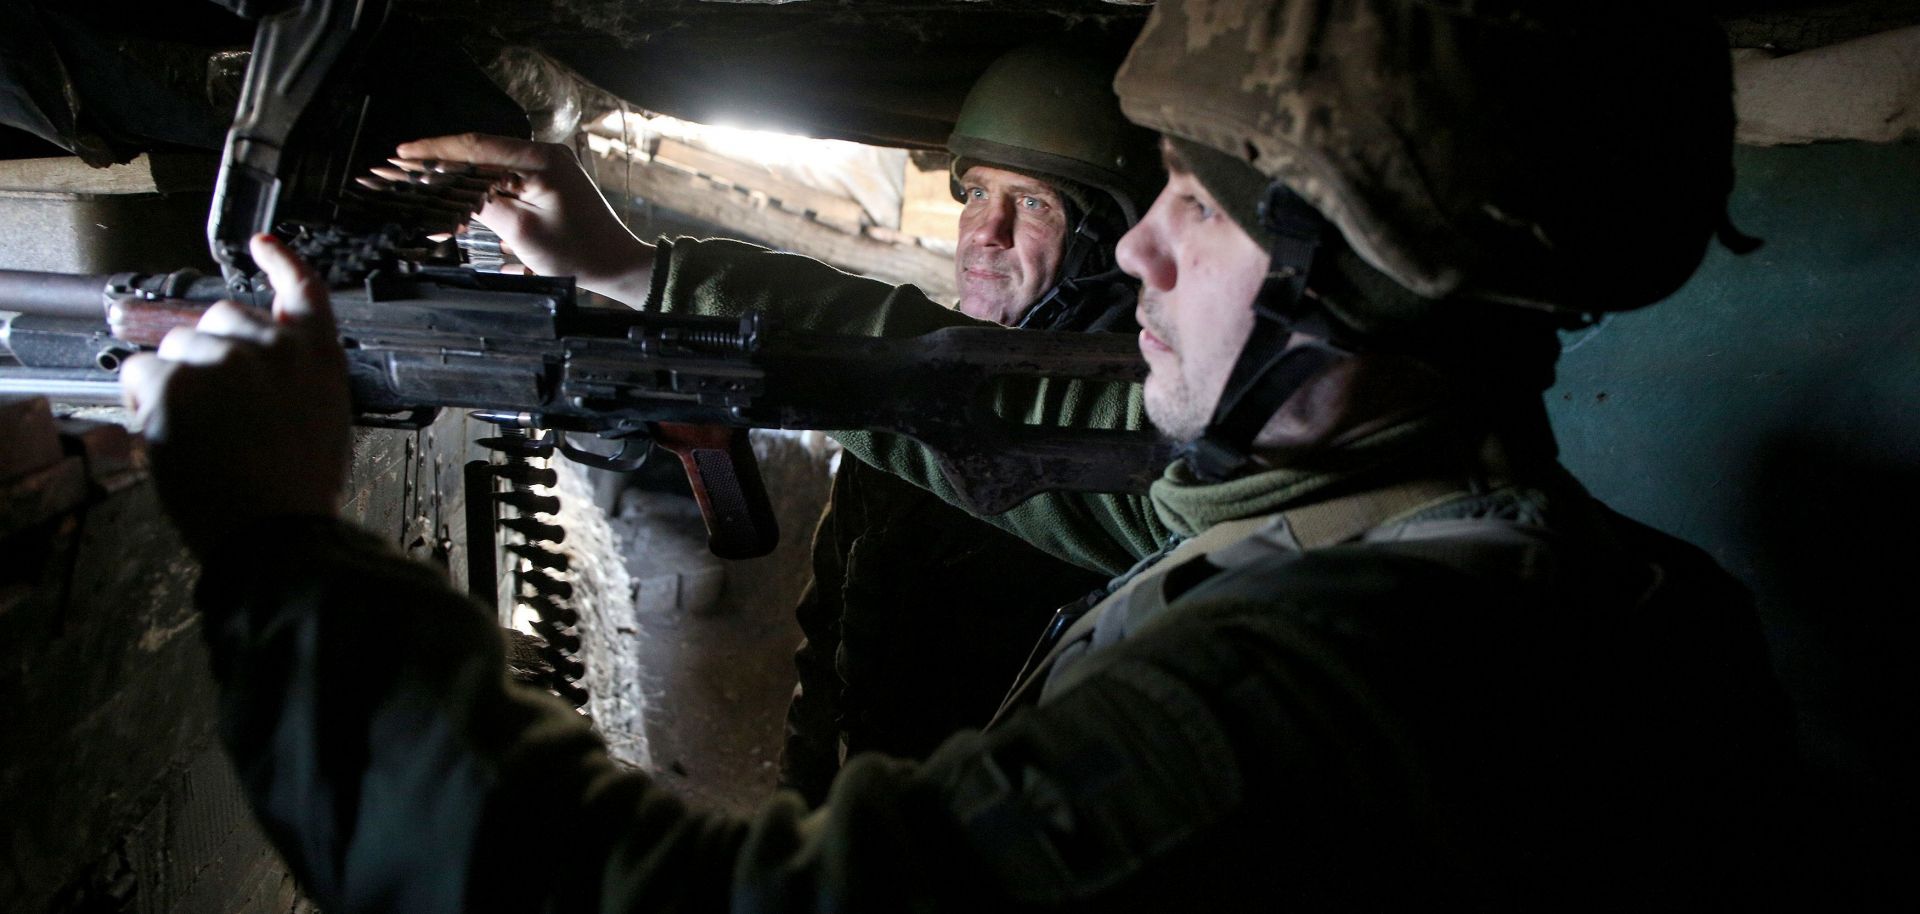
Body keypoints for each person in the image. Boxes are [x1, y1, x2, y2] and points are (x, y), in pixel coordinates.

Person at [122, 2, 1792, 910]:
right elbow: (1005, 412)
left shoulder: (1353, 692)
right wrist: (634, 268)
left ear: (1353, 279)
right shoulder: (1406, 532)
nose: (1140, 252)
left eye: (1196, 213)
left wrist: (283, 552)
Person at [780, 43, 1161, 802]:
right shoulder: (908, 383)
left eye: (1033, 203)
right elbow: (829, 638)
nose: (984, 233)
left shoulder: (1145, 427)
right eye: (975, 194)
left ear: (1104, 249)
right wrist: (805, 811)